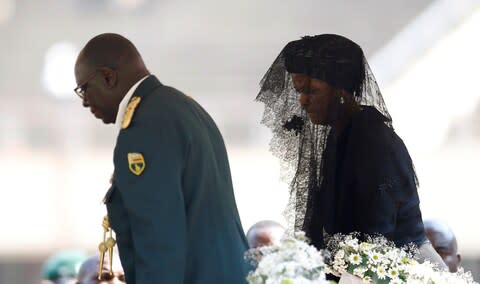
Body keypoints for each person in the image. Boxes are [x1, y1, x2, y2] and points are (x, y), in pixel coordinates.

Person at [256, 34, 446, 268]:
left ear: (341, 91)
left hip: (404, 271)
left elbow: (376, 240)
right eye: (299, 91)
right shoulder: (341, 134)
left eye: (312, 90)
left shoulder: (372, 142)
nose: (303, 101)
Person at [73, 33, 250, 283]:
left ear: (107, 77)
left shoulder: (145, 125)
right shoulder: (181, 107)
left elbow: (159, 240)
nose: (84, 102)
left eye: (84, 89)